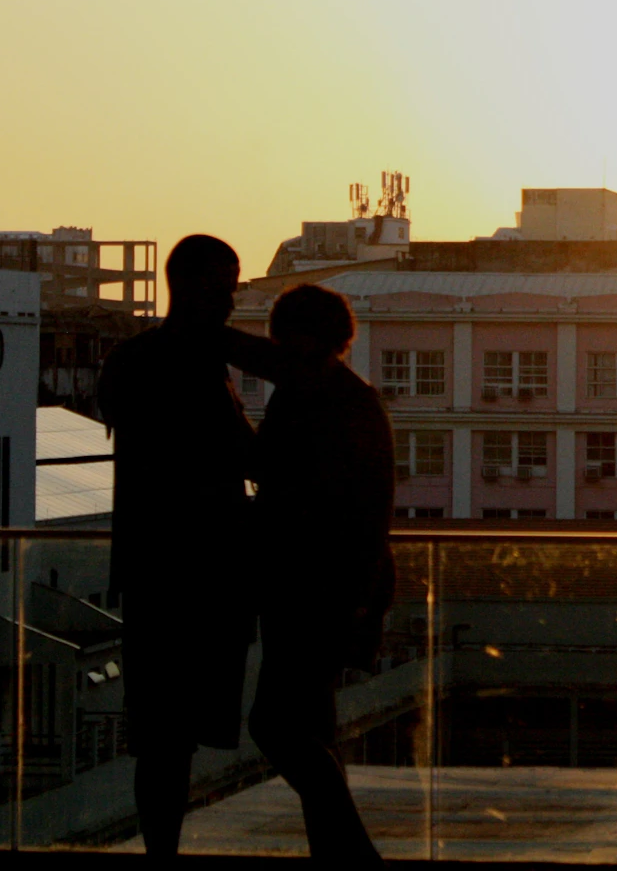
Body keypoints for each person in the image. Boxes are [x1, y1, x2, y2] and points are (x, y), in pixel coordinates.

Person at [97, 235, 259, 856]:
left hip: (152, 570)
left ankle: (161, 852)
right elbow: (246, 454)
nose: (230, 298)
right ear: (193, 286)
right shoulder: (196, 366)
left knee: (162, 736)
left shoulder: (133, 359)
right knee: (177, 734)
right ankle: (164, 852)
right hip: (200, 572)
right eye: (224, 286)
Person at [227, 284, 394, 867]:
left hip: (312, 584)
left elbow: (361, 508)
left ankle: (350, 850)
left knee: (275, 723)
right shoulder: (340, 397)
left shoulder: (315, 395)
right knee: (311, 724)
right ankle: (338, 852)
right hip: (320, 584)